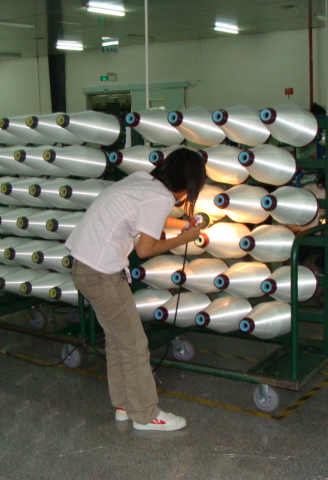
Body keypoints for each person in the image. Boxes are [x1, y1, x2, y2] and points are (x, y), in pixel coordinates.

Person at [65, 147, 207, 432]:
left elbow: (147, 217)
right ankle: (145, 414)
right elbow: (145, 249)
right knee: (134, 345)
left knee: (117, 340)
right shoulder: (161, 198)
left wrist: (183, 224)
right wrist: (185, 238)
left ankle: (124, 405)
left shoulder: (142, 180)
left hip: (83, 267)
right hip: (102, 274)